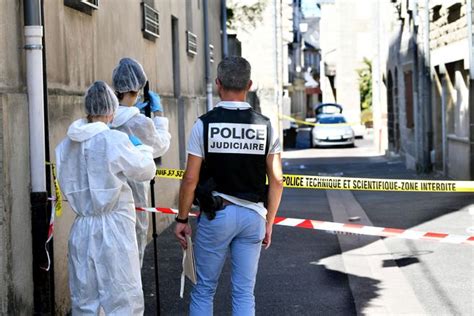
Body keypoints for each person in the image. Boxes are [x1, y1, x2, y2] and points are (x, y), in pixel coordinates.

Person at [174, 56, 284, 315]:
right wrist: (269, 221)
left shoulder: (204, 124)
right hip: (253, 216)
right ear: (250, 84)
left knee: (204, 289)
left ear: (218, 83)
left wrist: (181, 218)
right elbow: (277, 180)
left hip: (217, 215)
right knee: (244, 292)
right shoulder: (266, 126)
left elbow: (190, 178)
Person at [55, 81, 156, 315]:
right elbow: (146, 170)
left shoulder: (65, 146)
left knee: (84, 299)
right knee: (123, 299)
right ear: (112, 112)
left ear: (88, 110)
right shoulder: (114, 141)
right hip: (115, 227)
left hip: (81, 227)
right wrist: (140, 148)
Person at [110, 57, 171, 266]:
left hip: (108, 193)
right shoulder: (137, 121)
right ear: (137, 90)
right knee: (134, 243)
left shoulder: (104, 116)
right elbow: (160, 145)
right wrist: (158, 115)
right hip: (135, 191)